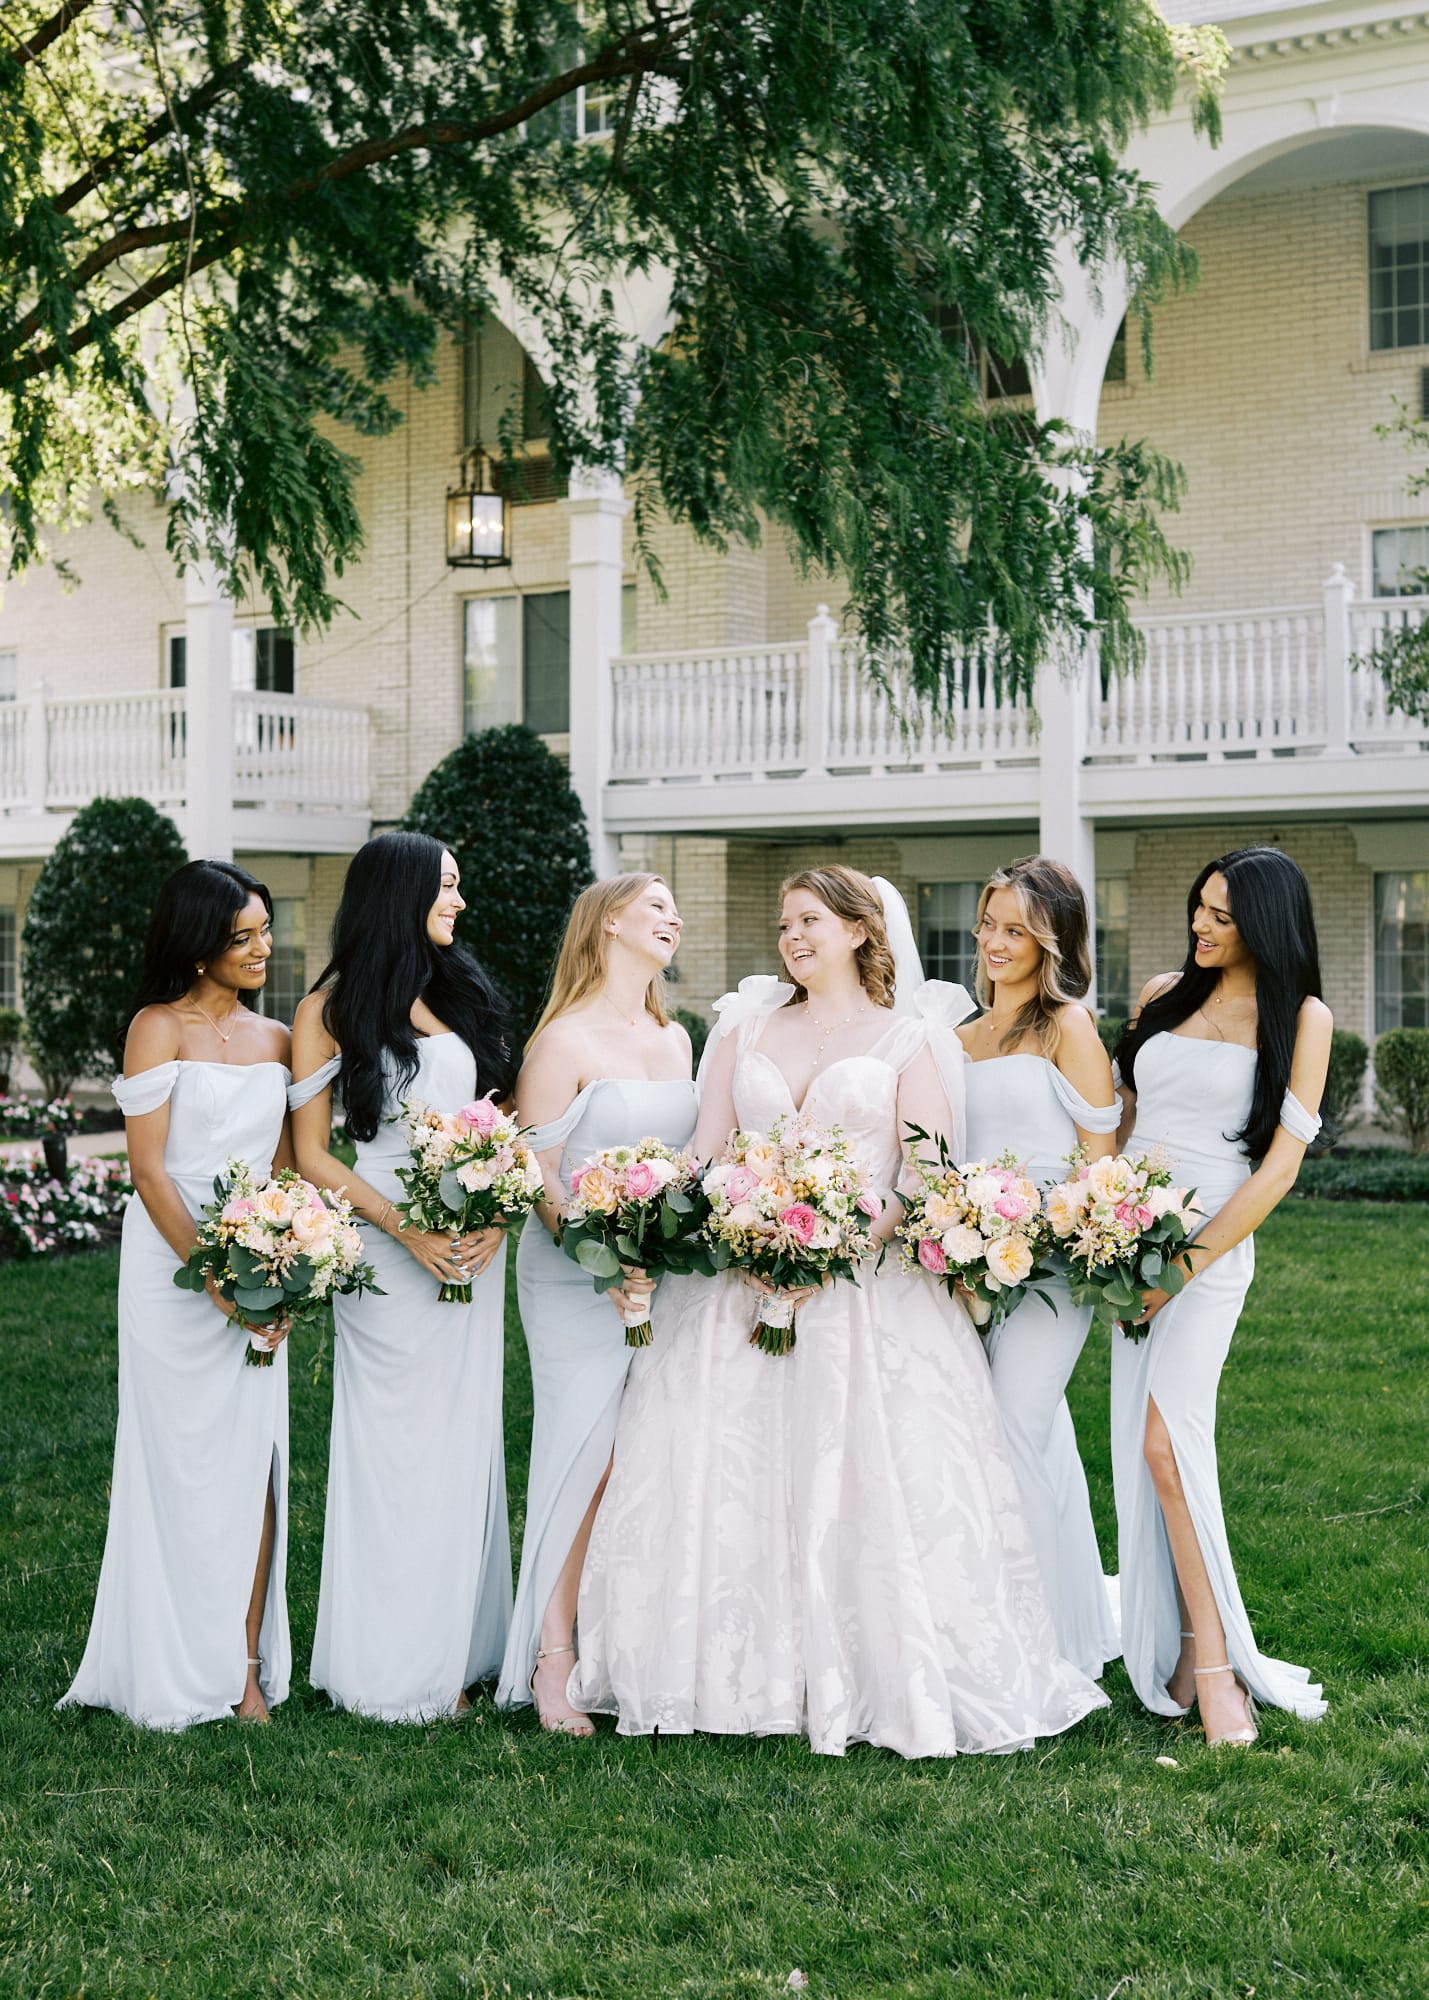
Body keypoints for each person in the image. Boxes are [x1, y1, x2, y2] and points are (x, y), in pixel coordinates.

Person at [574, 865, 1108, 1759]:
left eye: (809, 920)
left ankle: (874, 1669)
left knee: (866, 1480)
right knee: (730, 1474)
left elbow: (924, 1173)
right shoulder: (742, 1029)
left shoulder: (912, 1039)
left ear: (861, 930)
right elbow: (707, 1149)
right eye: (783, 923)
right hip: (735, 1282)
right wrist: (699, 1220)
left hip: (866, 1289)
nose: (791, 936)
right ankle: (733, 1670)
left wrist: (833, 1249)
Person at [60, 860, 292, 1729]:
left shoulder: (275, 1042)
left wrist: (280, 1257)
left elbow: (284, 1167)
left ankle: (242, 1668)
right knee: (176, 1462)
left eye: (266, 930)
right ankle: (161, 1655)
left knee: (255, 1461)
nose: (263, 948)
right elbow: (150, 1172)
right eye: (243, 937)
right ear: (198, 947)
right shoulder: (155, 1029)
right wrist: (214, 1276)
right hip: (171, 1273)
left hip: (263, 1264)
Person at [289, 831, 512, 1721]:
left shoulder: (453, 992)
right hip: (388, 1252)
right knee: (397, 1451)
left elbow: (495, 1115)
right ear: (400, 894)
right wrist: (403, 1229)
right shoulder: (331, 1007)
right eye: (445, 887)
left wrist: (492, 1210)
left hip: (468, 1248)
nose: (457, 902)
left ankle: (462, 1645)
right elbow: (310, 1153)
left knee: (463, 1442)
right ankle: (392, 1666)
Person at [1112, 846, 1332, 1744]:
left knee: (1169, 1448)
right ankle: (1170, 1649)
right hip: (1126, 1241)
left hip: (1209, 1253)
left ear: (1267, 924)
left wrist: (1179, 1270)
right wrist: (1102, 1228)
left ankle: (1213, 1669)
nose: (1202, 926)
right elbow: (1125, 1122)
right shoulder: (1163, 994)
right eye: (1199, 907)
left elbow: (1278, 1170)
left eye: (1223, 916)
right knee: (1139, 1452)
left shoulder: (1301, 1016)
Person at [495, 874, 695, 1735]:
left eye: (673, 909)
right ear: (610, 922)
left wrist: (656, 1251)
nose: (673, 918)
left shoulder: (676, 1037)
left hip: (658, 1275)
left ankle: (620, 1641)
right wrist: (599, 1258)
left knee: (638, 1456)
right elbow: (536, 1173)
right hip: (572, 1274)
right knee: (581, 1452)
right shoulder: (562, 1040)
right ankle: (551, 1658)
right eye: (656, 906)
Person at [959, 857, 1121, 1679]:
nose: (994, 940)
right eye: (988, 922)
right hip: (966, 1266)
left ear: (1050, 939)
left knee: (1015, 1419)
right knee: (1028, 1430)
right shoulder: (958, 1036)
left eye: (1015, 928)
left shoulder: (1067, 1028)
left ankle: (1028, 1639)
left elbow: (1102, 1165)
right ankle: (1065, 1618)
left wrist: (1050, 1234)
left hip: (1054, 1268)